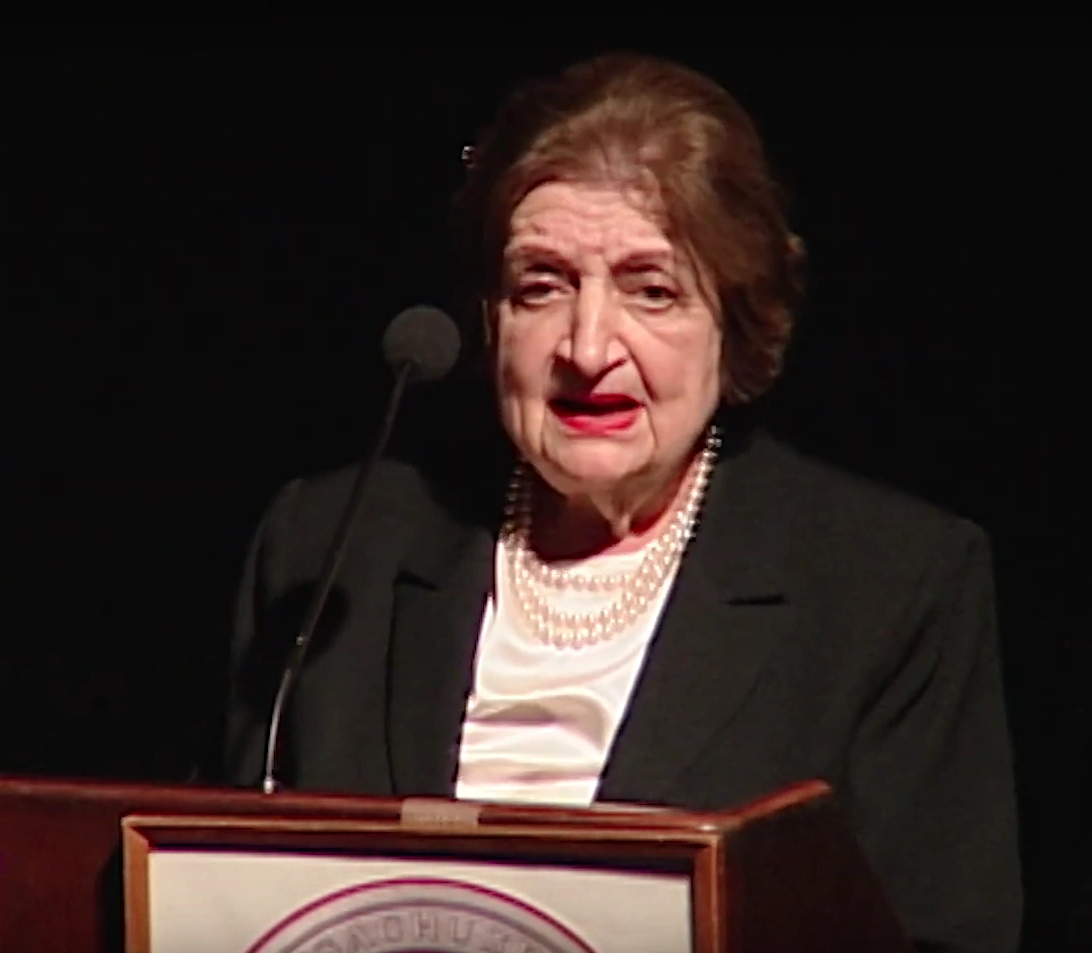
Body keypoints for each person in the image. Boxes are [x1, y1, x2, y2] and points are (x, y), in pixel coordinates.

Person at [223, 52, 1021, 953]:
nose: (587, 346)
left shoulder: (888, 584)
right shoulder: (331, 550)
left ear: (737, 318)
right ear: (491, 320)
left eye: (651, 290)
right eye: (542, 285)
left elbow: (941, 936)